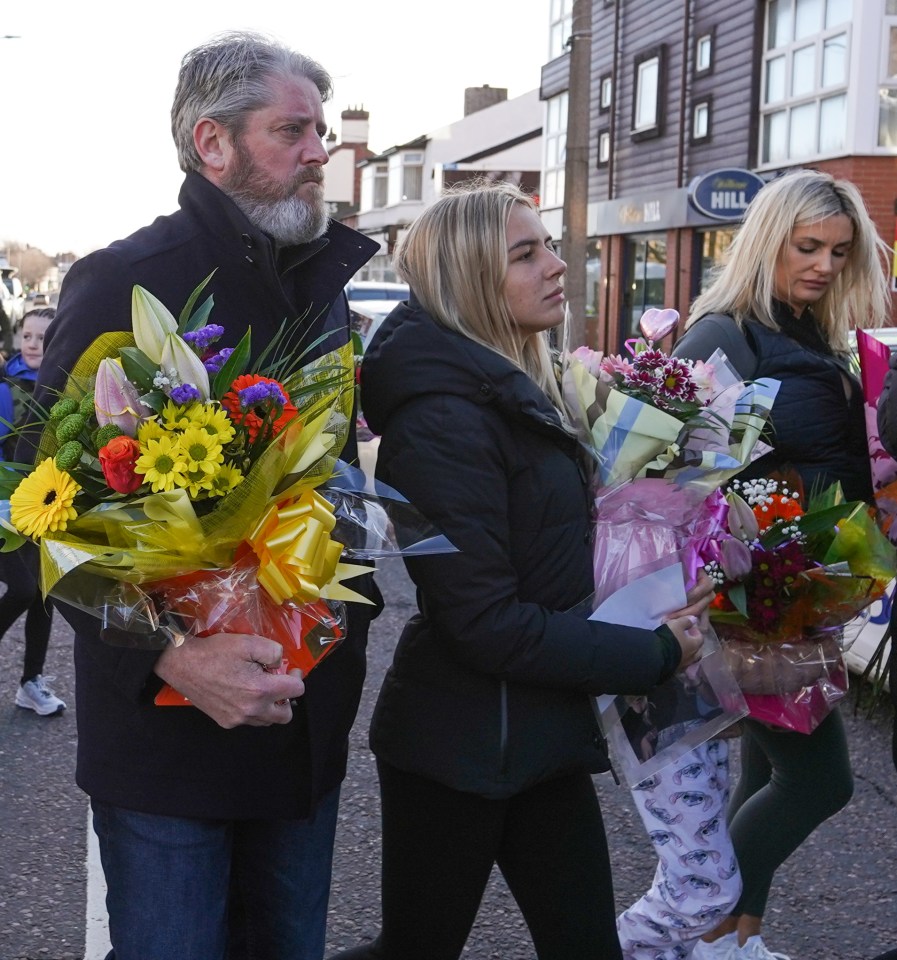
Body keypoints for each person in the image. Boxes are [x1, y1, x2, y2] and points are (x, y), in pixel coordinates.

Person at [27, 31, 381, 960]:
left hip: (298, 721)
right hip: (169, 746)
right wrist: (172, 656)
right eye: (291, 131)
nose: (318, 153)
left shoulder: (324, 283)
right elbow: (36, 513)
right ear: (211, 144)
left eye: (318, 133)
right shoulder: (124, 281)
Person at [328, 180, 712, 960]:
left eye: (549, 247)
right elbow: (481, 620)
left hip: (534, 730)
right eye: (525, 254)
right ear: (472, 278)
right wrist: (653, 654)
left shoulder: (517, 389)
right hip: (460, 746)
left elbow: (542, 554)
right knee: (416, 951)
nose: (556, 266)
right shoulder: (443, 418)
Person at [672, 168, 892, 960]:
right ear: (766, 239)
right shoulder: (725, 333)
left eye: (838, 251)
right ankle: (680, 923)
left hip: (794, 587)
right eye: (807, 247)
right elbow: (669, 473)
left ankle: (729, 940)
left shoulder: (801, 329)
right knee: (816, 781)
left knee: (764, 771)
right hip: (753, 593)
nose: (824, 265)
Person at [0, 307, 65, 716]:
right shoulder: (6, 384)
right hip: (3, 504)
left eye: (42, 337)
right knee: (23, 588)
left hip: (48, 505)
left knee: (45, 592)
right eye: (27, 335)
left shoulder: (64, 385)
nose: (32, 343)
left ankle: (31, 682)